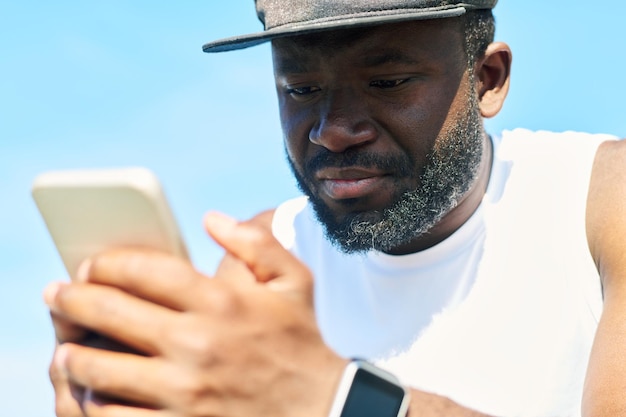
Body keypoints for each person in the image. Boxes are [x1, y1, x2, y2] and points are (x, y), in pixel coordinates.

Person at [43, 1, 626, 416]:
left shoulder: (599, 200)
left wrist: (337, 398)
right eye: (301, 90)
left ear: (487, 79)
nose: (332, 131)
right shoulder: (265, 257)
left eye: (388, 81)